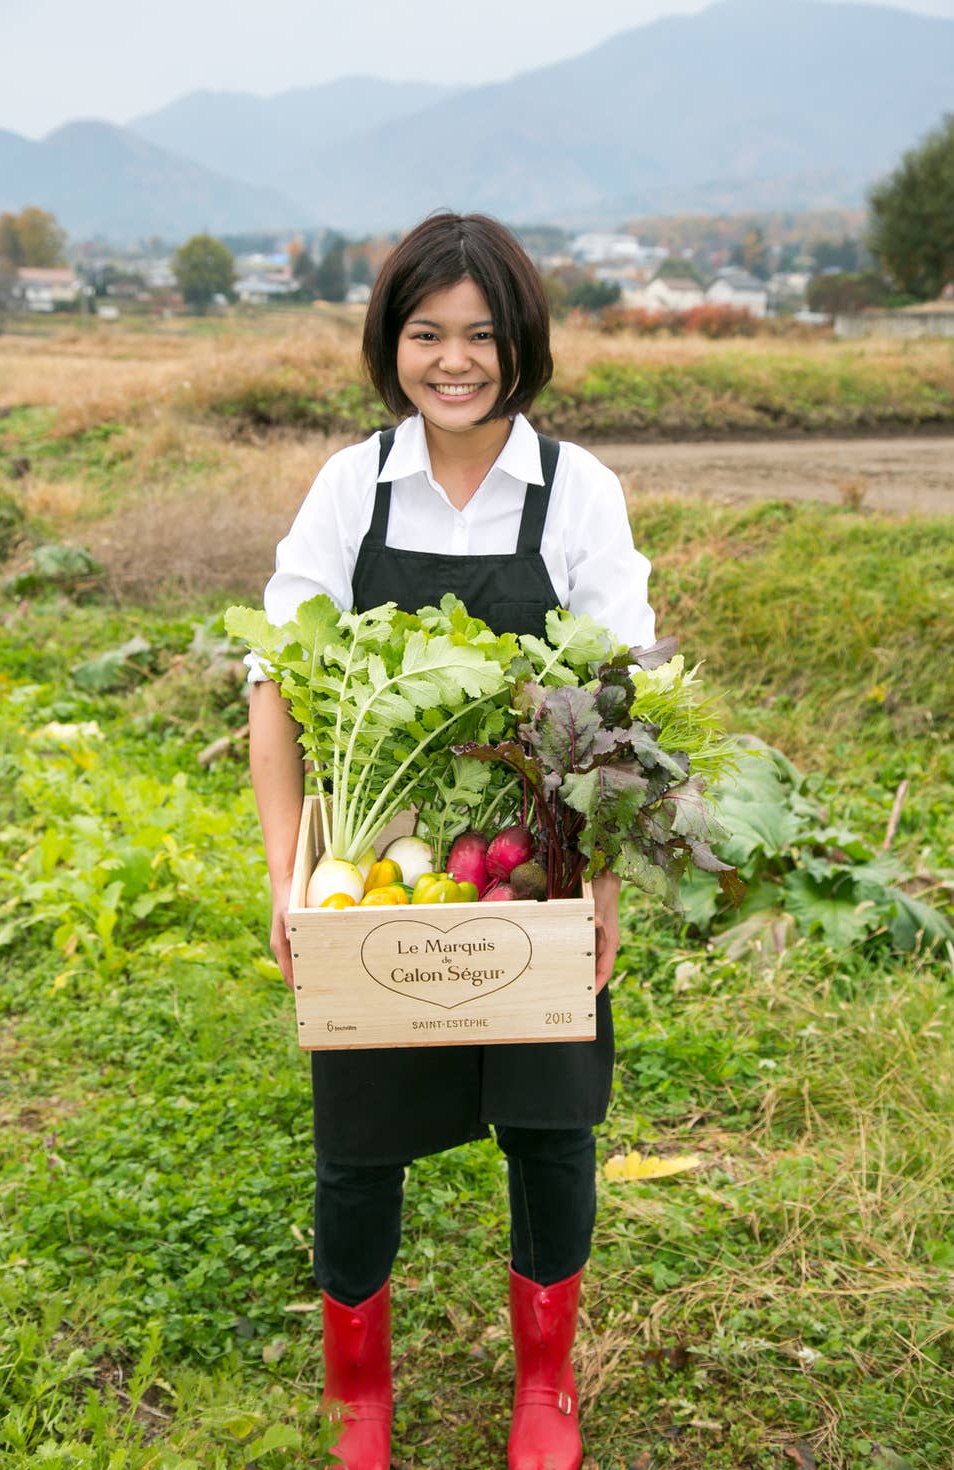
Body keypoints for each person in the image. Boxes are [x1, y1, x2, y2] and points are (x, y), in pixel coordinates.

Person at [246, 212, 655, 1470]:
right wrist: (287, 883)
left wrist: (602, 893)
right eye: (428, 334)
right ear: (392, 343)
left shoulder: (577, 489)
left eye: (481, 335)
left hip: (535, 873)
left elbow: (624, 708)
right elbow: (275, 681)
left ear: (519, 343)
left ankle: (546, 1383)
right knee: (357, 1137)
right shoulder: (349, 486)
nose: (455, 361)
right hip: (375, 876)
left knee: (550, 1124)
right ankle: (355, 1396)